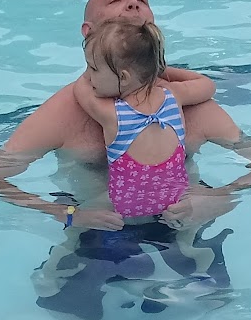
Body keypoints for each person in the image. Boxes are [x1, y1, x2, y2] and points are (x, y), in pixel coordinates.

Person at [0, 0, 251, 320]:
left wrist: (220, 198)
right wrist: (67, 214)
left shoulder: (189, 105)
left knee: (219, 309)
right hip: (96, 228)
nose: (132, 4)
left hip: (182, 220)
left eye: (141, 0)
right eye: (115, 0)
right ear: (88, 33)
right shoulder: (63, 114)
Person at [72, 20, 209, 221]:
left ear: (124, 78)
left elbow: (80, 88)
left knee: (74, 218)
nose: (90, 76)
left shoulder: (111, 114)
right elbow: (207, 84)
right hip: (175, 203)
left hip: (123, 209)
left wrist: (88, 71)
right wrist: (158, 70)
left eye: (93, 68)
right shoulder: (173, 95)